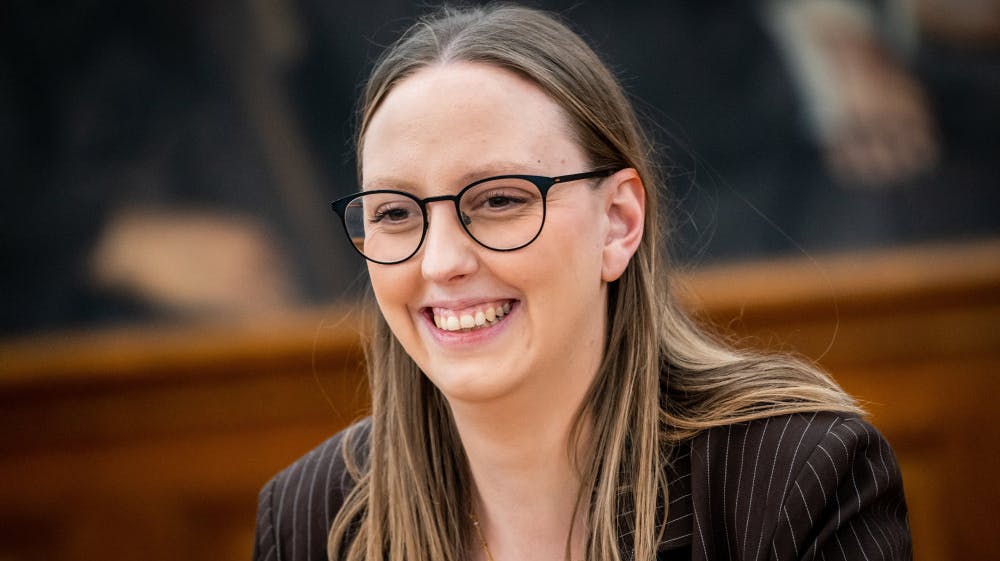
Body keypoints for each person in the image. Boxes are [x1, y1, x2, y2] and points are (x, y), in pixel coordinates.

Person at [253, 5, 911, 561]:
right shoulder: (309, 517)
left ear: (619, 222)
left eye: (500, 199)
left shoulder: (801, 476)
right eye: (395, 213)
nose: (440, 261)